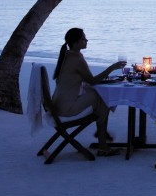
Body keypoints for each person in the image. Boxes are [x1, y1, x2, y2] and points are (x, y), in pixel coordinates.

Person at [53, 27, 126, 156]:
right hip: (67, 108)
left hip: (57, 104)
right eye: (83, 38)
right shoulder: (77, 58)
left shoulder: (66, 55)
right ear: (75, 42)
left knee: (98, 96)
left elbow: (85, 81)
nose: (87, 40)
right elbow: (92, 81)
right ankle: (102, 143)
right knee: (103, 98)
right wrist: (111, 68)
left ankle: (102, 133)